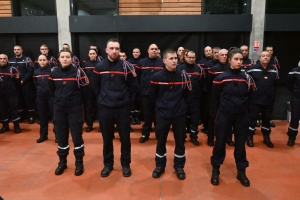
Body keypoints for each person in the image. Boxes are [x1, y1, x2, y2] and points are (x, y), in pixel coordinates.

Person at [93, 38, 138, 178]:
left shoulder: (127, 67)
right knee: (107, 138)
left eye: (117, 48)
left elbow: (133, 87)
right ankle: (108, 164)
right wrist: (102, 100)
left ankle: (125, 164)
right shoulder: (99, 67)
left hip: (122, 108)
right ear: (106, 50)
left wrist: (126, 101)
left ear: (119, 50)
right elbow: (95, 87)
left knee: (125, 138)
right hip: (105, 108)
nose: (114, 51)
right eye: (111, 48)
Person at [210, 48, 252, 187]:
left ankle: (241, 172)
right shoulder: (220, 78)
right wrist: (215, 117)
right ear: (229, 60)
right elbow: (214, 100)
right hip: (224, 115)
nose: (239, 62)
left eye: (241, 59)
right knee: (220, 143)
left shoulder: (246, 78)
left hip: (241, 117)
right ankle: (216, 170)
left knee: (240, 144)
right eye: (236, 59)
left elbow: (250, 97)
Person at [150, 48, 191, 180]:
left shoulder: (183, 75)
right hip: (162, 114)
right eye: (171, 59)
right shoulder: (156, 77)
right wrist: (159, 109)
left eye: (176, 58)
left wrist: (183, 108)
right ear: (164, 61)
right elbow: (152, 96)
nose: (174, 61)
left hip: (179, 114)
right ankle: (160, 166)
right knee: (161, 141)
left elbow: (188, 95)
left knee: (180, 141)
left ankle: (179, 166)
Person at [49, 49, 88, 176]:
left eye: (67, 57)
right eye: (62, 57)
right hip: (59, 109)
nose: (65, 59)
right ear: (59, 59)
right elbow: (51, 90)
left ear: (72, 59)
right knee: (61, 136)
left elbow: (85, 91)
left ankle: (79, 162)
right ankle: (62, 162)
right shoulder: (54, 74)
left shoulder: (78, 72)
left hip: (74, 109)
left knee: (76, 136)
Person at [247, 51, 279, 148]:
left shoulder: (274, 70)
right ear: (260, 58)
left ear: (270, 58)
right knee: (252, 120)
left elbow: (275, 84)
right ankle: (249, 138)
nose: (265, 57)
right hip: (254, 100)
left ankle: (266, 138)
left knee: (266, 120)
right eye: (263, 56)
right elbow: (248, 85)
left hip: (268, 100)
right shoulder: (252, 69)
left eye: (267, 56)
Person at [136, 44, 164, 143]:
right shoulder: (142, 62)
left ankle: (159, 134)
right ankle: (145, 134)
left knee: (158, 116)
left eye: (156, 49)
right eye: (152, 49)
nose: (154, 50)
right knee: (147, 116)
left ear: (158, 51)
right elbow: (137, 78)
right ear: (148, 50)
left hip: (159, 95)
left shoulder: (162, 63)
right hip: (145, 94)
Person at [207, 49, 235, 147]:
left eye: (225, 55)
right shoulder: (213, 69)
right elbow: (208, 85)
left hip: (229, 99)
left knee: (229, 120)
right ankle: (210, 138)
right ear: (218, 57)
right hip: (215, 99)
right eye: (222, 55)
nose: (223, 56)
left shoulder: (231, 68)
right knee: (213, 119)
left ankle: (228, 138)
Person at [178, 50, 204, 146]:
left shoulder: (199, 69)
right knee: (182, 119)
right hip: (183, 99)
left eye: (193, 57)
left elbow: (202, 83)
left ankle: (193, 136)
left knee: (195, 119)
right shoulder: (180, 69)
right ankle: (182, 136)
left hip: (195, 99)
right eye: (190, 57)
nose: (191, 59)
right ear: (185, 57)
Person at [8, 45, 35, 124]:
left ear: (22, 50)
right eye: (15, 49)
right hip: (15, 85)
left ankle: (31, 117)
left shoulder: (27, 59)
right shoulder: (11, 60)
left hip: (26, 84)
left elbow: (30, 71)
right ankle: (21, 117)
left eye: (18, 49)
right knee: (18, 101)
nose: (16, 51)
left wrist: (23, 80)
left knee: (28, 100)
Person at [33, 54, 55, 143]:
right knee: (42, 117)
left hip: (51, 97)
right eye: (40, 60)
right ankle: (43, 135)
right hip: (40, 97)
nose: (42, 61)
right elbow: (35, 84)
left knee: (55, 117)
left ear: (47, 61)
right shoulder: (36, 72)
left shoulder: (52, 71)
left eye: (44, 60)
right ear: (38, 61)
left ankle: (58, 135)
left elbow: (54, 85)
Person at [200, 47, 220, 135]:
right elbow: (204, 78)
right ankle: (207, 127)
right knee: (208, 110)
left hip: (221, 92)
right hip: (208, 91)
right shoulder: (207, 64)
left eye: (218, 53)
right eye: (214, 52)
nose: (216, 54)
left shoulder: (224, 65)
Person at [0, 54, 21, 134]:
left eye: (4, 58)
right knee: (2, 110)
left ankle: (17, 126)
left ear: (7, 59)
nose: (2, 60)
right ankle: (5, 126)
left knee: (13, 110)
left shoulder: (13, 69)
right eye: (0, 58)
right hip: (1, 95)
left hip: (11, 94)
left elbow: (18, 83)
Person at [82, 49, 101, 132]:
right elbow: (82, 76)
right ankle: (89, 125)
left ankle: (101, 125)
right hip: (88, 89)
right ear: (88, 55)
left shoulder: (100, 64)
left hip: (98, 89)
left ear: (96, 54)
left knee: (100, 107)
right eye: (91, 54)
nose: (92, 55)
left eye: (94, 53)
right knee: (89, 107)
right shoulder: (85, 64)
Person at [286, 65, 300, 146]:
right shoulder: (294, 71)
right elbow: (288, 84)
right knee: (295, 118)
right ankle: (292, 137)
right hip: (297, 97)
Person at [128, 48, 142, 125]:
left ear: (140, 53)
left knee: (138, 102)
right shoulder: (129, 62)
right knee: (132, 102)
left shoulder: (142, 62)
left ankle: (137, 117)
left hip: (140, 85)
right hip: (132, 86)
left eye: (137, 52)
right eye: (134, 52)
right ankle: (132, 117)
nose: (136, 53)